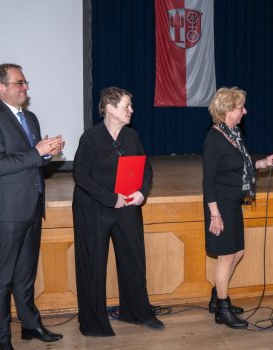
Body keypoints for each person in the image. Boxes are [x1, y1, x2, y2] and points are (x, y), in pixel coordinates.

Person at [0, 63, 64, 350]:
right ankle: (2, 340)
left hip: (32, 205)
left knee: (26, 273)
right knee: (3, 278)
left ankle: (30, 325)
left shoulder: (31, 117)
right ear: (0, 88)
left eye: (25, 82)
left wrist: (47, 153)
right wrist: (37, 152)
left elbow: (32, 160)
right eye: (19, 83)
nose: (26, 87)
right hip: (6, 211)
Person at [72, 87, 164, 336]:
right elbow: (80, 176)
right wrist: (111, 199)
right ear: (110, 108)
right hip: (95, 208)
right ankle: (93, 322)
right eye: (127, 106)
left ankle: (137, 313)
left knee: (134, 259)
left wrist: (142, 193)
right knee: (93, 265)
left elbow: (146, 170)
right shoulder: (90, 138)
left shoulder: (132, 137)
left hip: (128, 207)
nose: (131, 111)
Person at [202, 87, 273, 329]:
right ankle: (223, 311)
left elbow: (242, 166)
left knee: (237, 253)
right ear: (227, 110)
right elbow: (208, 181)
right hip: (220, 205)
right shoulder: (214, 138)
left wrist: (264, 163)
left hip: (233, 202)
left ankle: (217, 299)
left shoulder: (234, 134)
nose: (244, 112)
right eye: (240, 108)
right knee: (227, 255)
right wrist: (214, 215)